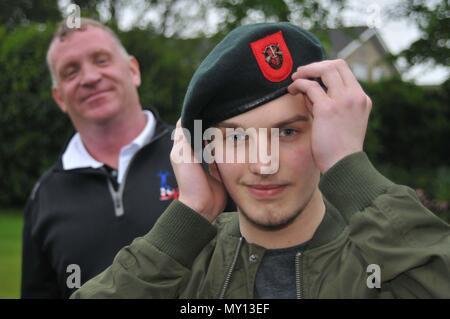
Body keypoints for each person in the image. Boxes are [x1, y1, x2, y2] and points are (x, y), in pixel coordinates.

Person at [71, 22, 450, 299]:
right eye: (236, 137)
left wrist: (349, 165)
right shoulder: (182, 269)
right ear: (205, 152)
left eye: (288, 132)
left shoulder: (380, 262)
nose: (264, 163)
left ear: (326, 134)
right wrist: (189, 215)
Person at [21, 18, 180, 298]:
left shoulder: (197, 156)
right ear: (59, 97)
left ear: (133, 70)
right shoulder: (43, 198)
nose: (90, 78)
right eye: (71, 72)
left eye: (101, 60)